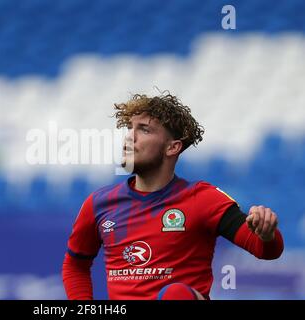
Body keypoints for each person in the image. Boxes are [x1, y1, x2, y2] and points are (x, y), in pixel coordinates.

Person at [62, 92, 284, 300]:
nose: (130, 137)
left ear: (172, 148)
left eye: (144, 130)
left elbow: (265, 250)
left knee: (175, 294)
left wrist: (266, 234)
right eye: (130, 128)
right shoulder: (99, 203)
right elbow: (75, 265)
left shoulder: (202, 198)